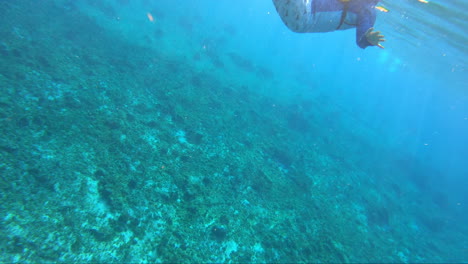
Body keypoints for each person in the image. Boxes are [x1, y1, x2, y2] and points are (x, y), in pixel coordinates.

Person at [272, 0, 385, 49]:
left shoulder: (367, 10)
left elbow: (361, 39)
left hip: (303, 15)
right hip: (297, 18)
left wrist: (368, 40)